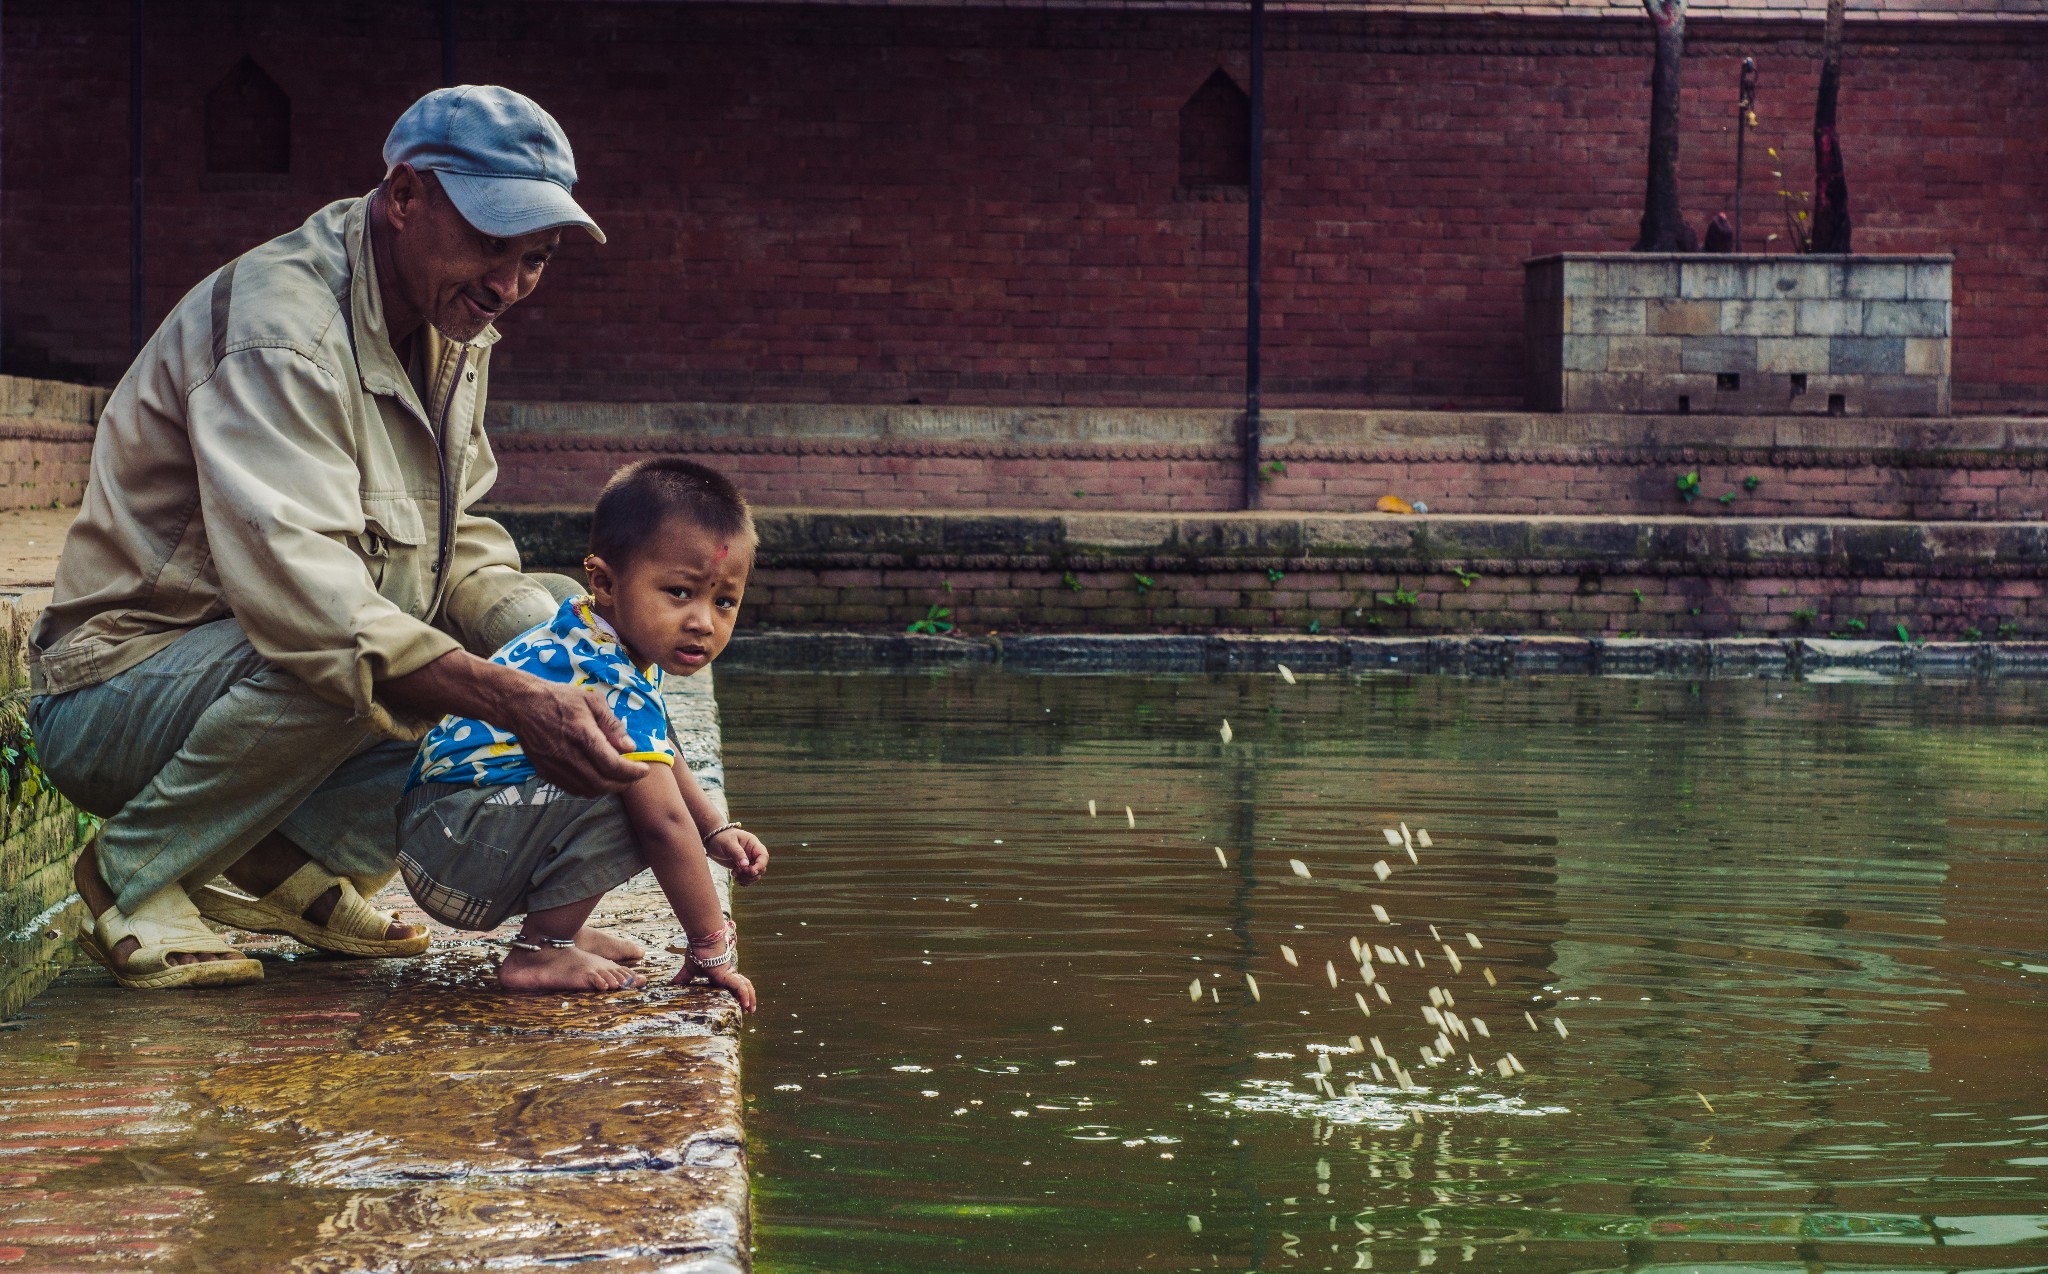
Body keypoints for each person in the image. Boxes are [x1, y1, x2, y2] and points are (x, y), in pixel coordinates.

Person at [29, 86, 650, 991]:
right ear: (405, 197)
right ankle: (133, 873)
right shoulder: (284, 331)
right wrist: (513, 699)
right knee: (362, 644)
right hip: (114, 692)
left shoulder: (449, 322)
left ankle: (282, 865)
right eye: (490, 244)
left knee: (555, 620)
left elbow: (458, 540)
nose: (509, 286)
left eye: (536, 259)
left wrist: (558, 645)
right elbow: (316, 615)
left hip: (253, 681)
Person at [396, 458, 767, 1000]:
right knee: (637, 797)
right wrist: (712, 948)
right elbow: (664, 823)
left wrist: (714, 828)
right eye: (680, 593)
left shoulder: (594, 629)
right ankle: (541, 950)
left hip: (446, 828)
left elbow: (659, 744)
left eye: (724, 601)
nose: (703, 622)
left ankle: (560, 929)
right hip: (456, 850)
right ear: (605, 582)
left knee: (640, 770)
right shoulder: (609, 670)